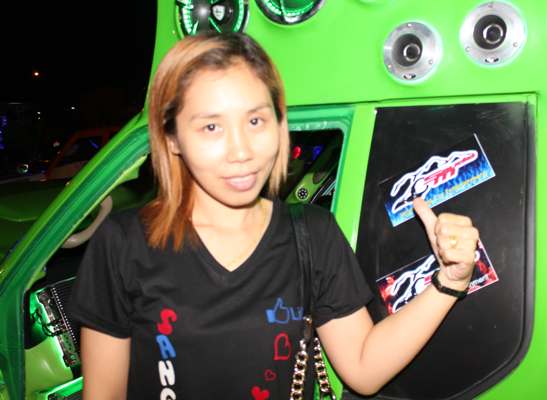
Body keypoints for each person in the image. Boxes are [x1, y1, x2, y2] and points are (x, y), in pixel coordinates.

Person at [69, 32, 480, 399]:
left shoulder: (312, 234)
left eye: (255, 120)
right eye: (211, 127)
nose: (241, 151)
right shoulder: (124, 244)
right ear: (172, 137)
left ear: (279, 123)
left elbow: (363, 368)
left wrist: (450, 280)